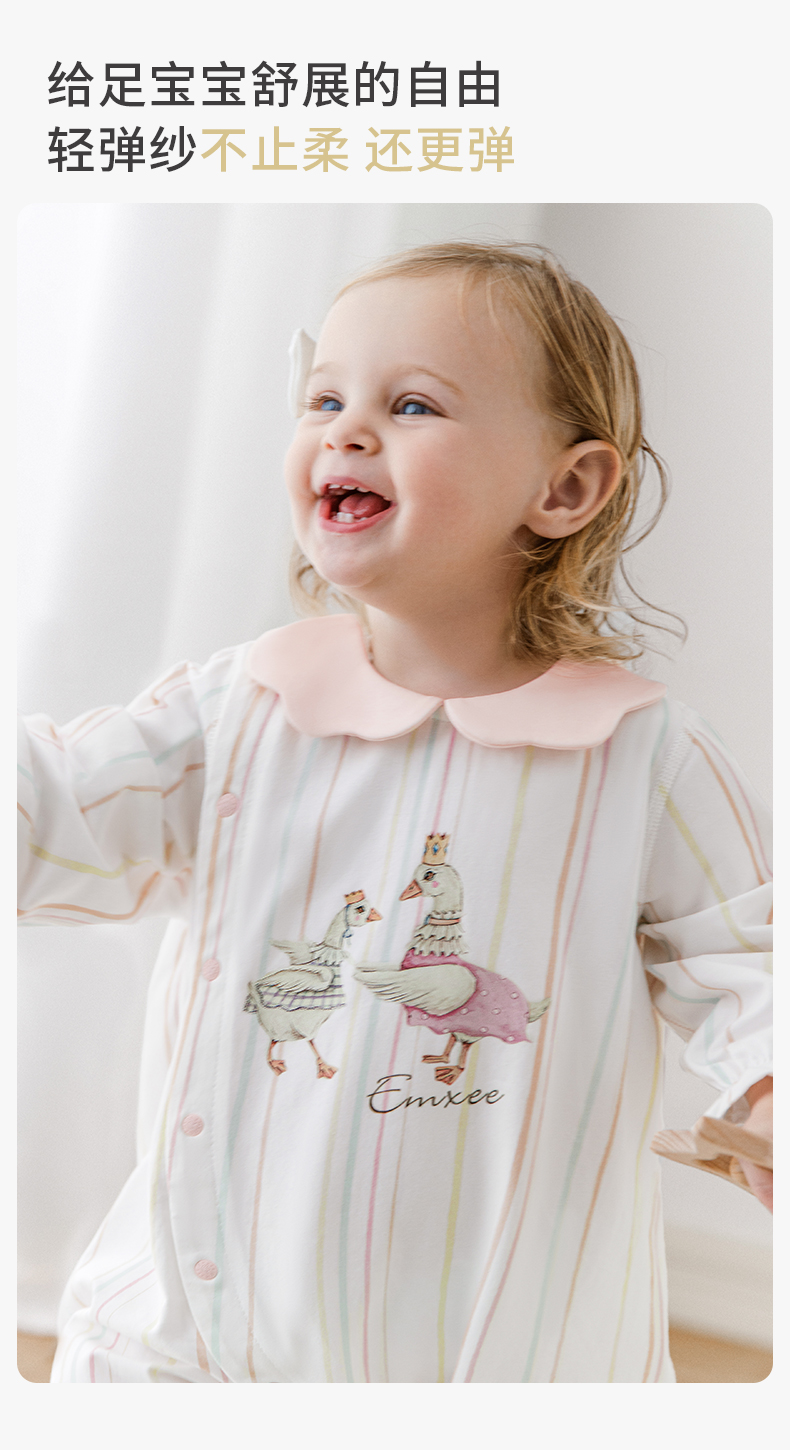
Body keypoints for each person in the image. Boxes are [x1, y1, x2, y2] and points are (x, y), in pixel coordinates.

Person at [18, 243, 772, 1384]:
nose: (346, 431)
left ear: (565, 489)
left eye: (410, 404)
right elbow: (53, 812)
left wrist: (767, 1088)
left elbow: (753, 953)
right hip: (184, 1355)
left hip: (500, 1365)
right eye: (324, 399)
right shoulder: (234, 712)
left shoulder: (641, 755)